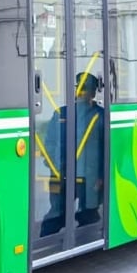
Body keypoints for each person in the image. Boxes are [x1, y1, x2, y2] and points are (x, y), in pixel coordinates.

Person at [39, 72, 105, 236]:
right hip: (65, 175)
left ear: (93, 92)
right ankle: (48, 243)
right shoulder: (62, 114)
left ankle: (84, 240)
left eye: (85, 89)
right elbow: (50, 144)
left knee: (87, 214)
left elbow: (105, 149)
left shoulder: (100, 116)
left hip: (86, 178)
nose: (82, 93)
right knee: (58, 214)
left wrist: (101, 176)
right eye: (80, 88)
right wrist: (55, 167)